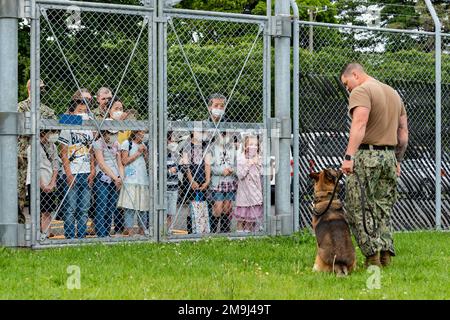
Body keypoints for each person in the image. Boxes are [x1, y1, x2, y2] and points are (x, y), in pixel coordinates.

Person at [340, 62, 408, 268]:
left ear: (355, 74)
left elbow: (359, 123)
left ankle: (372, 257)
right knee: (382, 207)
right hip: (389, 158)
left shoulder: (361, 90)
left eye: (346, 83)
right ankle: (385, 254)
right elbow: (403, 135)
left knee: (356, 207)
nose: (347, 88)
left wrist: (349, 156)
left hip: (367, 157)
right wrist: (397, 160)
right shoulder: (394, 94)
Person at [17, 79, 56, 224]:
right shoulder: (21, 107)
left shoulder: (46, 110)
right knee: (20, 192)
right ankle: (20, 227)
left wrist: (39, 128)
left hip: (42, 158)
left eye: (42, 89)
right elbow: (21, 128)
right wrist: (41, 127)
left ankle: (40, 229)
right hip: (23, 157)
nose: (40, 91)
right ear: (29, 89)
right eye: (38, 88)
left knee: (43, 193)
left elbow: (54, 130)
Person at [58, 99, 95, 239]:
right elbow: (63, 152)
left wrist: (92, 170)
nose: (83, 114)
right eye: (80, 111)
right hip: (72, 172)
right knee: (70, 209)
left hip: (86, 172)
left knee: (84, 209)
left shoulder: (88, 130)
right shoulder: (68, 127)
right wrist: (68, 174)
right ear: (72, 112)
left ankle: (81, 236)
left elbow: (91, 151)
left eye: (85, 111)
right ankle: (69, 237)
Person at [26, 130, 60, 237]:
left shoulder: (53, 146)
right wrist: (42, 184)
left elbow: (55, 165)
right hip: (36, 182)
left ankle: (46, 234)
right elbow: (34, 167)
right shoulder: (33, 147)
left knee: (47, 211)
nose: (54, 135)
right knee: (36, 211)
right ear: (43, 133)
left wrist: (52, 182)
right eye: (51, 132)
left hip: (49, 180)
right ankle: (36, 235)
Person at [117, 130, 150, 236]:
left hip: (142, 180)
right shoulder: (127, 144)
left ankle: (142, 230)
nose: (142, 136)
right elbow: (124, 161)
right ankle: (130, 232)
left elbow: (147, 162)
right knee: (129, 207)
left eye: (143, 134)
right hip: (130, 180)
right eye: (141, 133)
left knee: (143, 208)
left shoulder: (143, 145)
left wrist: (145, 154)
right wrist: (138, 153)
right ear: (135, 133)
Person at [93, 129, 124, 237]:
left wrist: (120, 178)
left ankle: (106, 232)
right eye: (111, 133)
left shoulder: (116, 144)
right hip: (103, 178)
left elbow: (119, 163)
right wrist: (115, 178)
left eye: (115, 133)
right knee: (102, 206)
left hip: (116, 179)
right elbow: (101, 163)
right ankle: (101, 234)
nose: (114, 135)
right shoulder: (98, 144)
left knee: (111, 207)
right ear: (105, 133)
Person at [181, 129, 211, 234]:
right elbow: (186, 165)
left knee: (203, 206)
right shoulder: (187, 145)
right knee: (191, 207)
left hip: (203, 180)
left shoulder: (205, 146)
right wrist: (191, 180)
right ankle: (191, 231)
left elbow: (207, 164)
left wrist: (207, 180)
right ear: (193, 132)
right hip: (190, 181)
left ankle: (203, 229)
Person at [209, 131, 237, 233]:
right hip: (218, 182)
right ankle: (213, 232)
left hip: (230, 181)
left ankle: (224, 232)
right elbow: (209, 167)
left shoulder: (233, 148)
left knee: (227, 207)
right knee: (218, 207)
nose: (224, 136)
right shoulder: (212, 148)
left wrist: (232, 170)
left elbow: (237, 165)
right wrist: (221, 171)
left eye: (226, 134)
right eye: (222, 134)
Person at [234, 134, 263, 233]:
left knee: (251, 221)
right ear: (245, 146)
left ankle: (249, 237)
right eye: (251, 144)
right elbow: (240, 175)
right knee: (241, 219)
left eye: (256, 145)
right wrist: (249, 162)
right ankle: (239, 237)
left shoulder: (259, 158)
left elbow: (263, 174)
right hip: (244, 195)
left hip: (255, 195)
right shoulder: (241, 159)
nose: (253, 147)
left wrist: (258, 163)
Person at [166, 131, 180, 231]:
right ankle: (162, 230)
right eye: (172, 139)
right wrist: (169, 171)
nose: (174, 142)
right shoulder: (161, 154)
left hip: (174, 187)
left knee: (171, 212)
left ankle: (169, 230)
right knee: (164, 212)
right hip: (163, 188)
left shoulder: (176, 154)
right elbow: (157, 172)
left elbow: (181, 168)